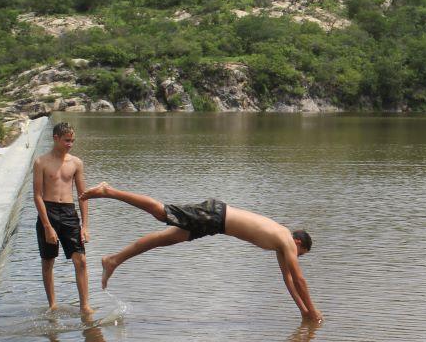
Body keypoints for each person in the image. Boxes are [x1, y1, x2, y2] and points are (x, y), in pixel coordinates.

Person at [80, 182, 323, 324]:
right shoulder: (287, 241)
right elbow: (300, 279)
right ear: (299, 242)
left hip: (215, 224)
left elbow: (289, 281)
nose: (297, 258)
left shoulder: (282, 245)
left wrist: (303, 312)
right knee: (161, 212)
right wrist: (313, 311)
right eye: (301, 254)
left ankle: (113, 260)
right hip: (216, 215)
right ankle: (109, 191)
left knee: (166, 239)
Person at [33, 122, 92, 316]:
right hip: (48, 211)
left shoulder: (76, 163)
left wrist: (85, 226)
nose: (70, 144)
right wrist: (47, 226)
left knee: (81, 260)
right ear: (56, 138)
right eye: (67, 140)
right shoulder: (41, 162)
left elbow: (83, 195)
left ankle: (84, 306)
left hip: (68, 212)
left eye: (73, 141)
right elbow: (37, 196)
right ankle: (53, 305)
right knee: (48, 261)